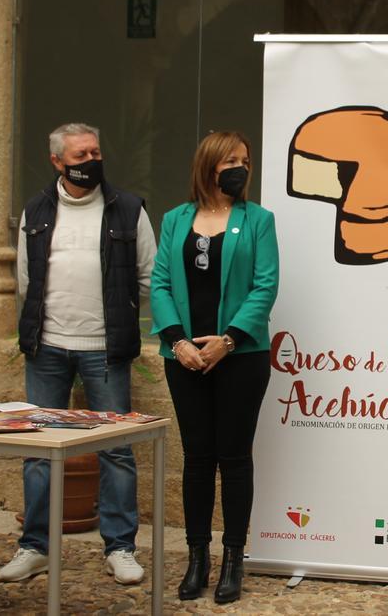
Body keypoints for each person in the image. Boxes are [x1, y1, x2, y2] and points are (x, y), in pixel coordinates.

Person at [0, 123, 157, 585]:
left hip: (105, 350)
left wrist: (124, 314)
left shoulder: (128, 209)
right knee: (40, 450)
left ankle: (120, 547)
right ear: (57, 162)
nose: (90, 161)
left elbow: (148, 275)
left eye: (95, 152)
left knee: (116, 449)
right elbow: (26, 280)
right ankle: (35, 547)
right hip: (47, 348)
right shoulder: (37, 209)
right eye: (80, 155)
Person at [150, 131, 278, 603]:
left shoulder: (258, 220)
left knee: (235, 457)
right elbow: (160, 283)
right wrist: (178, 342)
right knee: (197, 459)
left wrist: (227, 341)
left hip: (240, 357)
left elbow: (265, 287)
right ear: (208, 165)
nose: (240, 167)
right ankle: (197, 557)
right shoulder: (175, 220)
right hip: (184, 359)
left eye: (244, 160)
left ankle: (232, 558)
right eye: (230, 160)